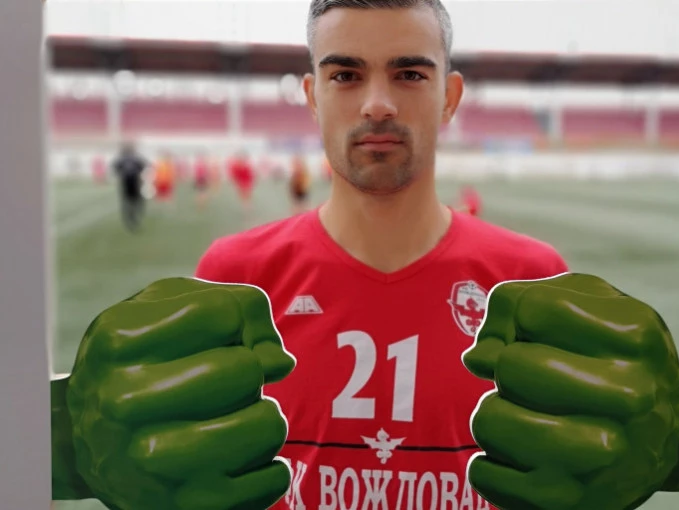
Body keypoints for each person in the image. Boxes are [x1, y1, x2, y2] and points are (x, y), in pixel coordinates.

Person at [194, 1, 568, 508]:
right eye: (346, 75)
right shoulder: (236, 277)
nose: (377, 105)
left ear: (449, 97)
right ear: (313, 97)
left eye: (409, 74)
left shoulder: (531, 279)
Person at [111, 142, 148, 231]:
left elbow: (115, 167)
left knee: (127, 199)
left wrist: (120, 174)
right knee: (136, 199)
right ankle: (135, 214)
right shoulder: (136, 158)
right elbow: (144, 166)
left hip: (126, 182)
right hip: (135, 181)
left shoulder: (121, 158)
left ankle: (128, 216)